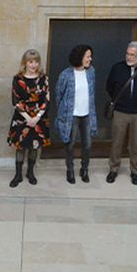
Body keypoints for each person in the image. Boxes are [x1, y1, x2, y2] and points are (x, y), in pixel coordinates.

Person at [106, 41, 137, 185]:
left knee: (135, 143)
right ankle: (113, 169)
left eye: (133, 55)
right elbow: (109, 86)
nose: (129, 57)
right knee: (117, 141)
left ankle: (135, 170)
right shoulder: (117, 68)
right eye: (128, 54)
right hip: (120, 111)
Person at [9, 49, 50, 187]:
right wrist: (28, 118)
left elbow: (46, 100)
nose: (33, 65)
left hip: (39, 119)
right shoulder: (17, 79)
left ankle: (30, 173)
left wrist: (37, 118)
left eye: (36, 62)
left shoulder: (44, 78)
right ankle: (18, 175)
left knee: (34, 147)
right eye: (30, 62)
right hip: (22, 117)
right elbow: (15, 100)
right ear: (25, 63)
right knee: (20, 147)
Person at [56, 45, 96, 185]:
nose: (90, 59)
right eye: (87, 56)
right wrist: (62, 112)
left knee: (87, 144)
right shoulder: (66, 74)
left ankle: (84, 169)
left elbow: (91, 94)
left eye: (90, 56)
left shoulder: (91, 72)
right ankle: (70, 170)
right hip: (71, 116)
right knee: (70, 144)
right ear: (79, 57)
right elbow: (58, 95)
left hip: (87, 114)